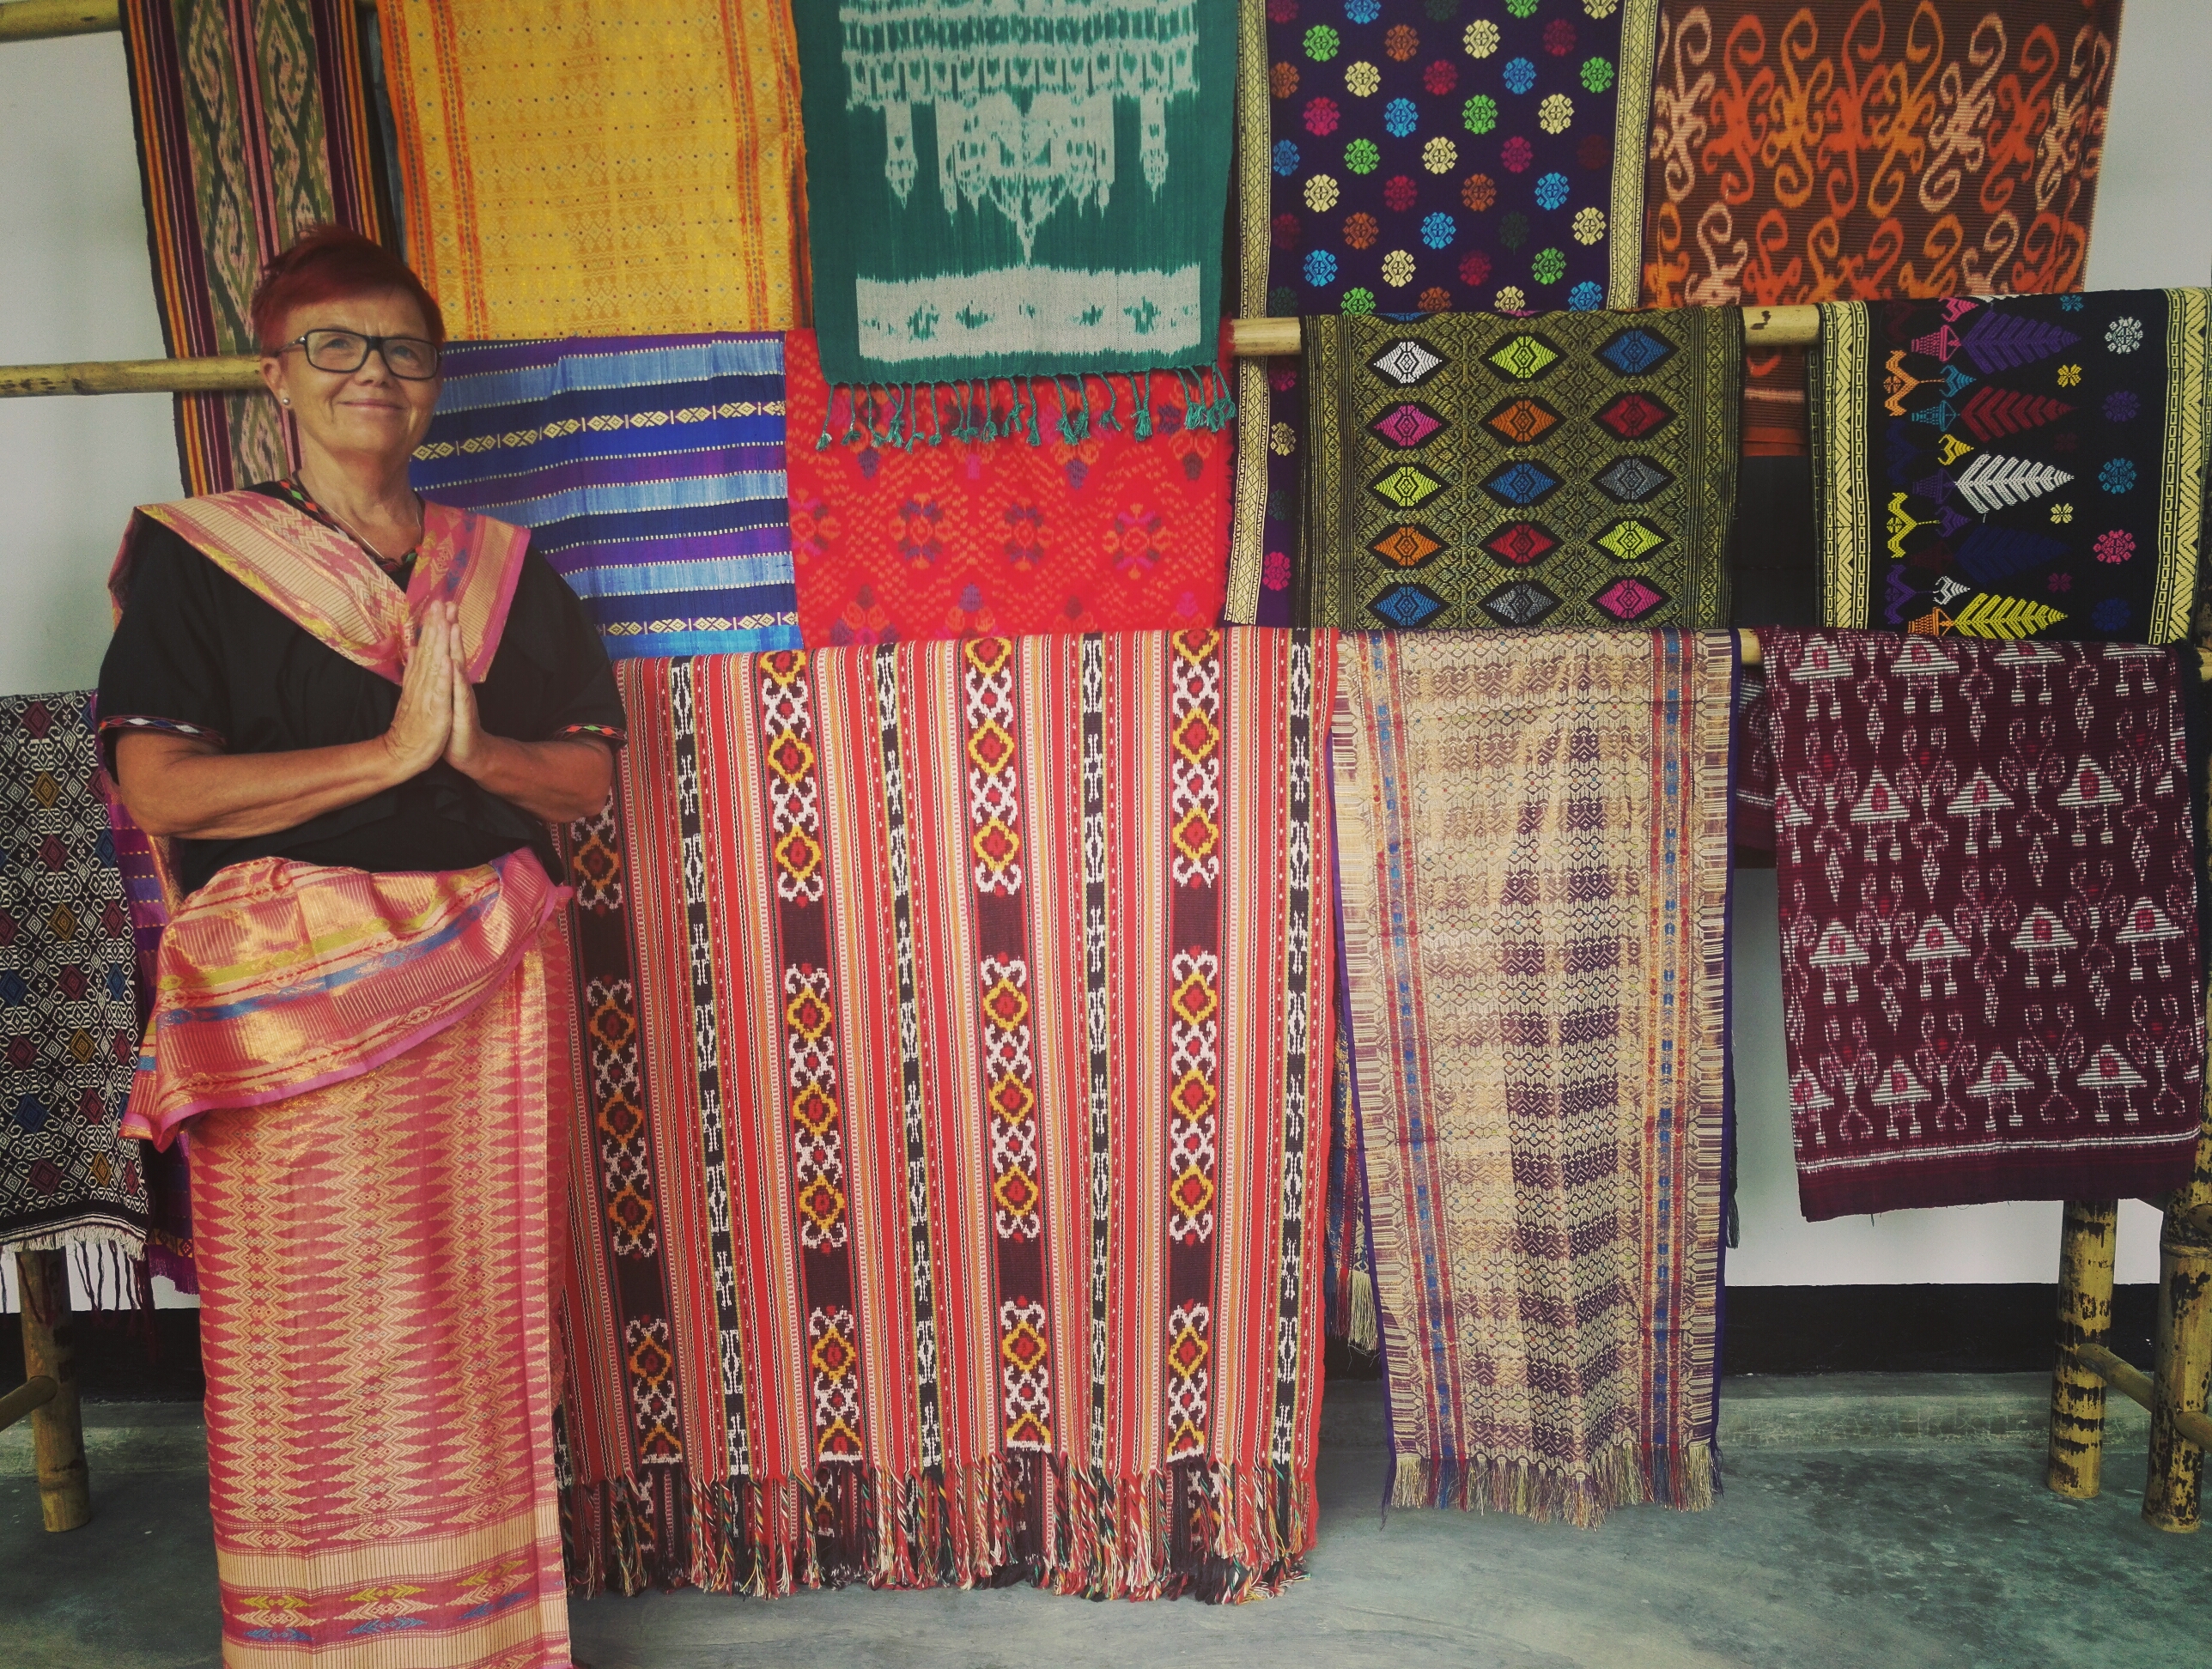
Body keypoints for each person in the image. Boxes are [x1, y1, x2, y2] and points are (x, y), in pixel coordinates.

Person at [99, 224, 617, 1669]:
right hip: (292, 1009)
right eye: (333, 344)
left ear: (435, 380)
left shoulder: (500, 573)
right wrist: (387, 757)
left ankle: (481, 1640)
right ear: (276, 374)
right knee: (316, 1343)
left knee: (472, 1326)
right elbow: (160, 787)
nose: (371, 372)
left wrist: (472, 751)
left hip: (487, 991)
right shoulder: (200, 561)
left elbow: (585, 777)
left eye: (401, 348)